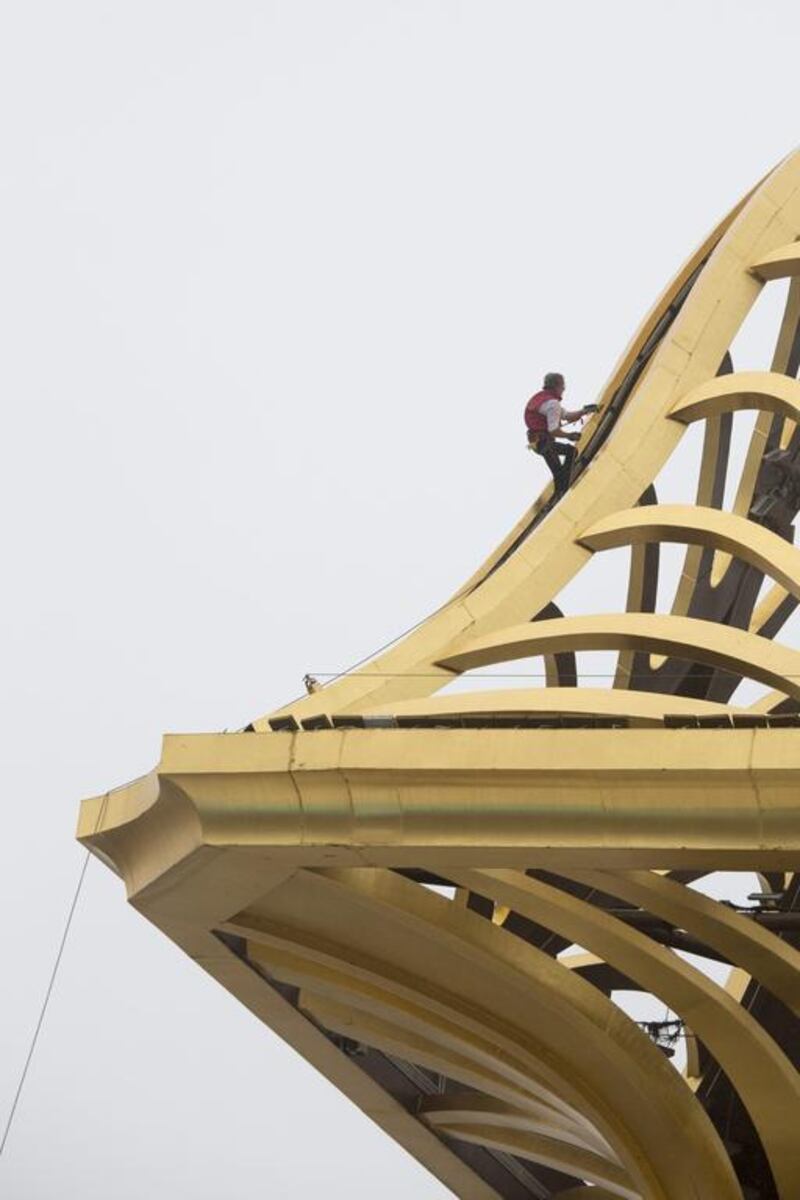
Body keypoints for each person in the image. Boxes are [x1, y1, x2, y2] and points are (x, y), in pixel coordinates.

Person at [524, 372, 595, 497]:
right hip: (544, 442)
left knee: (559, 472)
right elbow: (554, 430)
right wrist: (569, 436)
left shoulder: (543, 399)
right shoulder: (552, 404)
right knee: (571, 452)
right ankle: (563, 490)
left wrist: (584, 411)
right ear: (557, 386)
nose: (564, 389)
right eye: (563, 385)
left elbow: (567, 416)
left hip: (539, 442)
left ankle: (559, 492)